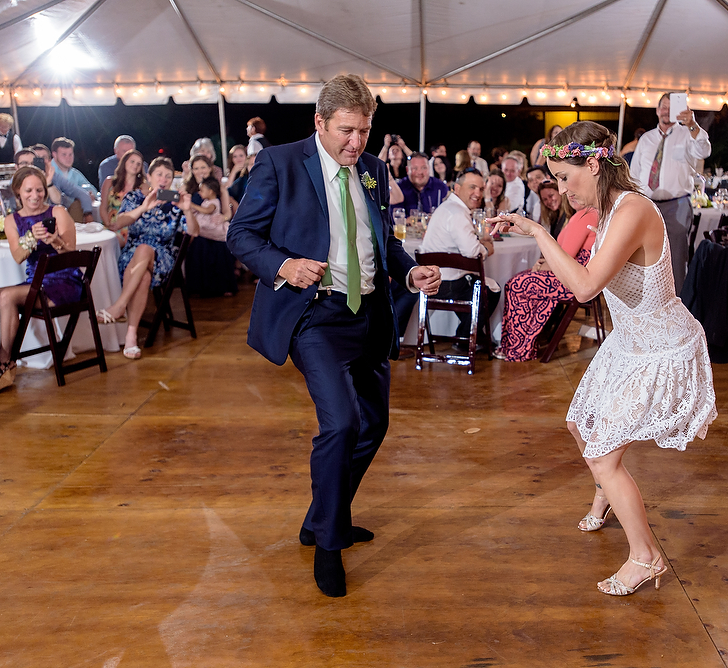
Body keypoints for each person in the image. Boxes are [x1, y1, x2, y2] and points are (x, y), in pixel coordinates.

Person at [225, 73, 442, 598]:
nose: (357, 142)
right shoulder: (278, 163)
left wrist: (409, 270)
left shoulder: (372, 168)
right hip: (315, 316)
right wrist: (283, 265)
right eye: (347, 130)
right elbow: (241, 234)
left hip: (368, 314)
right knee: (341, 423)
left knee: (374, 424)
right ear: (319, 122)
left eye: (364, 131)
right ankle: (328, 543)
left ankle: (322, 516)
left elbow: (381, 239)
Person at [489, 121, 716, 596]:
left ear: (594, 165)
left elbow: (586, 286)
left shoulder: (633, 209)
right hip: (628, 342)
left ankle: (646, 558)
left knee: (603, 455)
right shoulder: (606, 210)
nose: (561, 189)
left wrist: (536, 230)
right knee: (580, 424)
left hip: (660, 347)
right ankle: (605, 493)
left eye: (565, 177)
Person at [0, 166, 80, 394]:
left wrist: (55, 241)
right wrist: (31, 237)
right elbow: (17, 256)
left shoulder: (57, 212)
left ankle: (5, 361)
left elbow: (72, 255)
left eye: (39, 190)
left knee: (8, 296)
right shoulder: (11, 220)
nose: (35, 195)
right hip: (34, 282)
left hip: (63, 282)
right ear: (18, 192)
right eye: (29, 190)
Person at [97, 157, 199, 360]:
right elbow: (119, 222)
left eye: (168, 176)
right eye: (159, 174)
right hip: (132, 256)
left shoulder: (176, 203)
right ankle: (131, 336)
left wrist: (187, 210)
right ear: (149, 177)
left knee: (145, 249)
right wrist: (144, 207)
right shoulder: (135, 197)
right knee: (143, 276)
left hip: (163, 257)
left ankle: (120, 306)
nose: (163, 179)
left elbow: (194, 233)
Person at [629, 93, 711, 294]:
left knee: (676, 257)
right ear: (657, 111)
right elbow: (634, 174)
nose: (666, 111)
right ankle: (650, 299)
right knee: (645, 256)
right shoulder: (646, 139)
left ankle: (677, 301)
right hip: (648, 205)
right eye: (663, 107)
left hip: (678, 204)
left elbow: (704, 151)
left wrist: (692, 124)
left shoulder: (687, 134)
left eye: (671, 107)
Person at [495, 203, 596, 361]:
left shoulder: (585, 216)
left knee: (517, 285)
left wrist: (541, 267)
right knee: (519, 280)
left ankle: (518, 349)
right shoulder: (586, 215)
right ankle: (519, 344)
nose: (566, 193)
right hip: (572, 276)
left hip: (571, 280)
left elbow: (564, 258)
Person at [419, 169, 500, 348]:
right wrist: (487, 249)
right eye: (472, 187)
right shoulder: (457, 213)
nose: (478, 193)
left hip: (431, 281)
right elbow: (472, 252)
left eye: (481, 189)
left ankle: (473, 336)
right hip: (447, 284)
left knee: (477, 286)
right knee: (492, 290)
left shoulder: (446, 208)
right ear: (457, 188)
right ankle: (465, 338)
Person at [186, 175, 238, 298]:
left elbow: (208, 211)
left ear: (210, 191)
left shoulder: (213, 202)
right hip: (203, 230)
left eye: (202, 190)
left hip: (212, 229)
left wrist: (192, 205)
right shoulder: (206, 201)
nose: (199, 193)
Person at [29, 143, 96, 222]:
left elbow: (74, 193)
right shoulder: (23, 178)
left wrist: (87, 213)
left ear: (50, 160)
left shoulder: (55, 176)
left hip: (55, 217)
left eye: (44, 158)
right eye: (37, 159)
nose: (41, 162)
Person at [100, 148, 147, 247]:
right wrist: (109, 224)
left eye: (138, 164)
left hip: (131, 228)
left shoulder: (144, 187)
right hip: (110, 226)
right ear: (124, 162)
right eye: (132, 161)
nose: (135, 165)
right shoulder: (109, 182)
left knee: (113, 242)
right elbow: (103, 208)